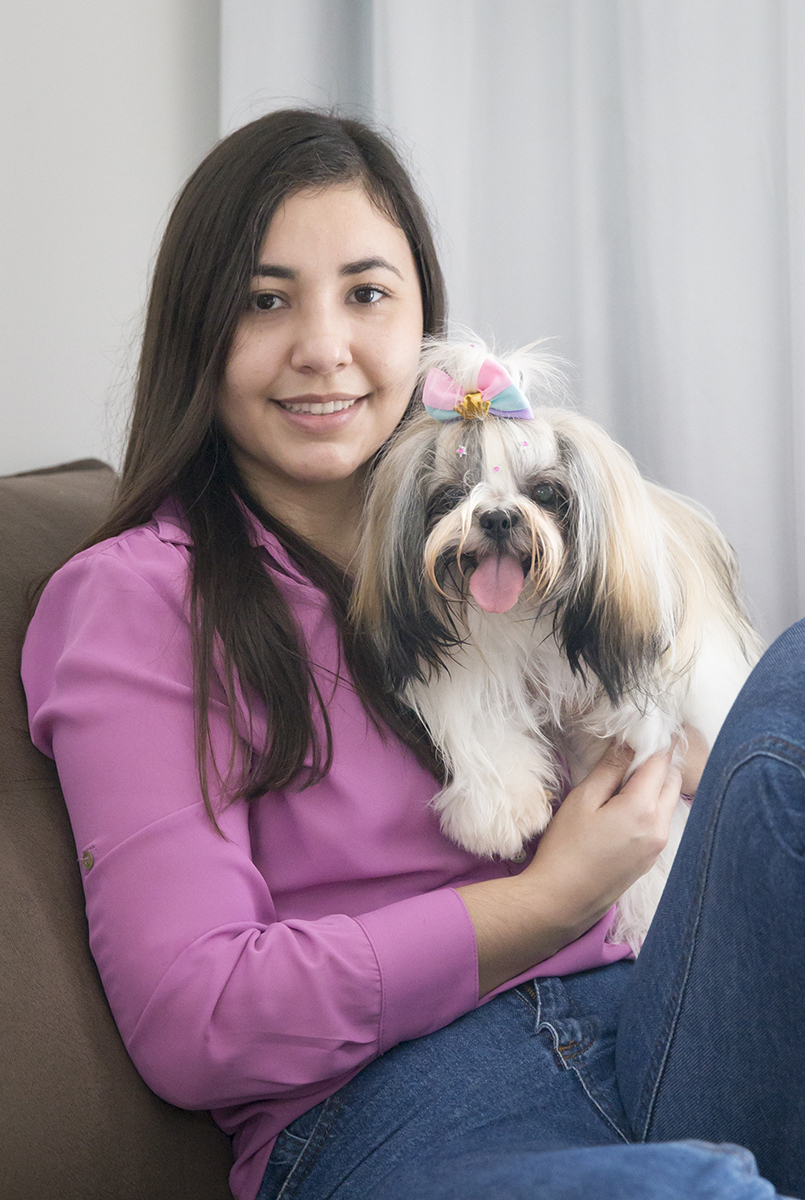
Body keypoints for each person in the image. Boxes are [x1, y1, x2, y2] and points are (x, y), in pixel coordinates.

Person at [21, 109, 804, 1200]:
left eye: (366, 292)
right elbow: (194, 1017)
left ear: (424, 319)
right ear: (200, 330)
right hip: (400, 1103)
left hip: (664, 1010)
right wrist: (544, 899)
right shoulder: (141, 599)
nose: (324, 347)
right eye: (265, 299)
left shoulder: (523, 538)